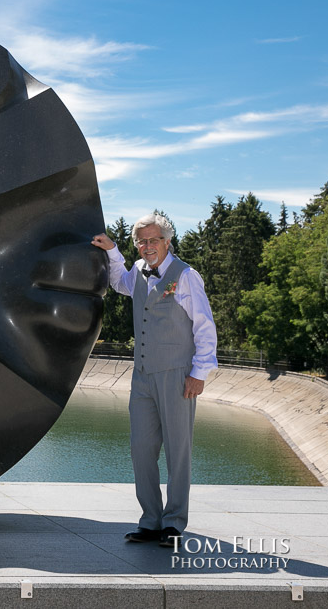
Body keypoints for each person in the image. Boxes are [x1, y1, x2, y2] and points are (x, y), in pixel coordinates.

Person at [91, 213, 216, 548]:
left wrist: (199, 374)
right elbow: (119, 282)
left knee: (179, 452)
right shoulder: (138, 273)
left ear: (167, 241)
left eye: (153, 240)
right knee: (141, 450)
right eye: (141, 241)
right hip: (142, 376)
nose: (147, 246)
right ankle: (150, 520)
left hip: (177, 375)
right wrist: (114, 250)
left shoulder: (186, 276)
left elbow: (205, 327)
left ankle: (173, 523)